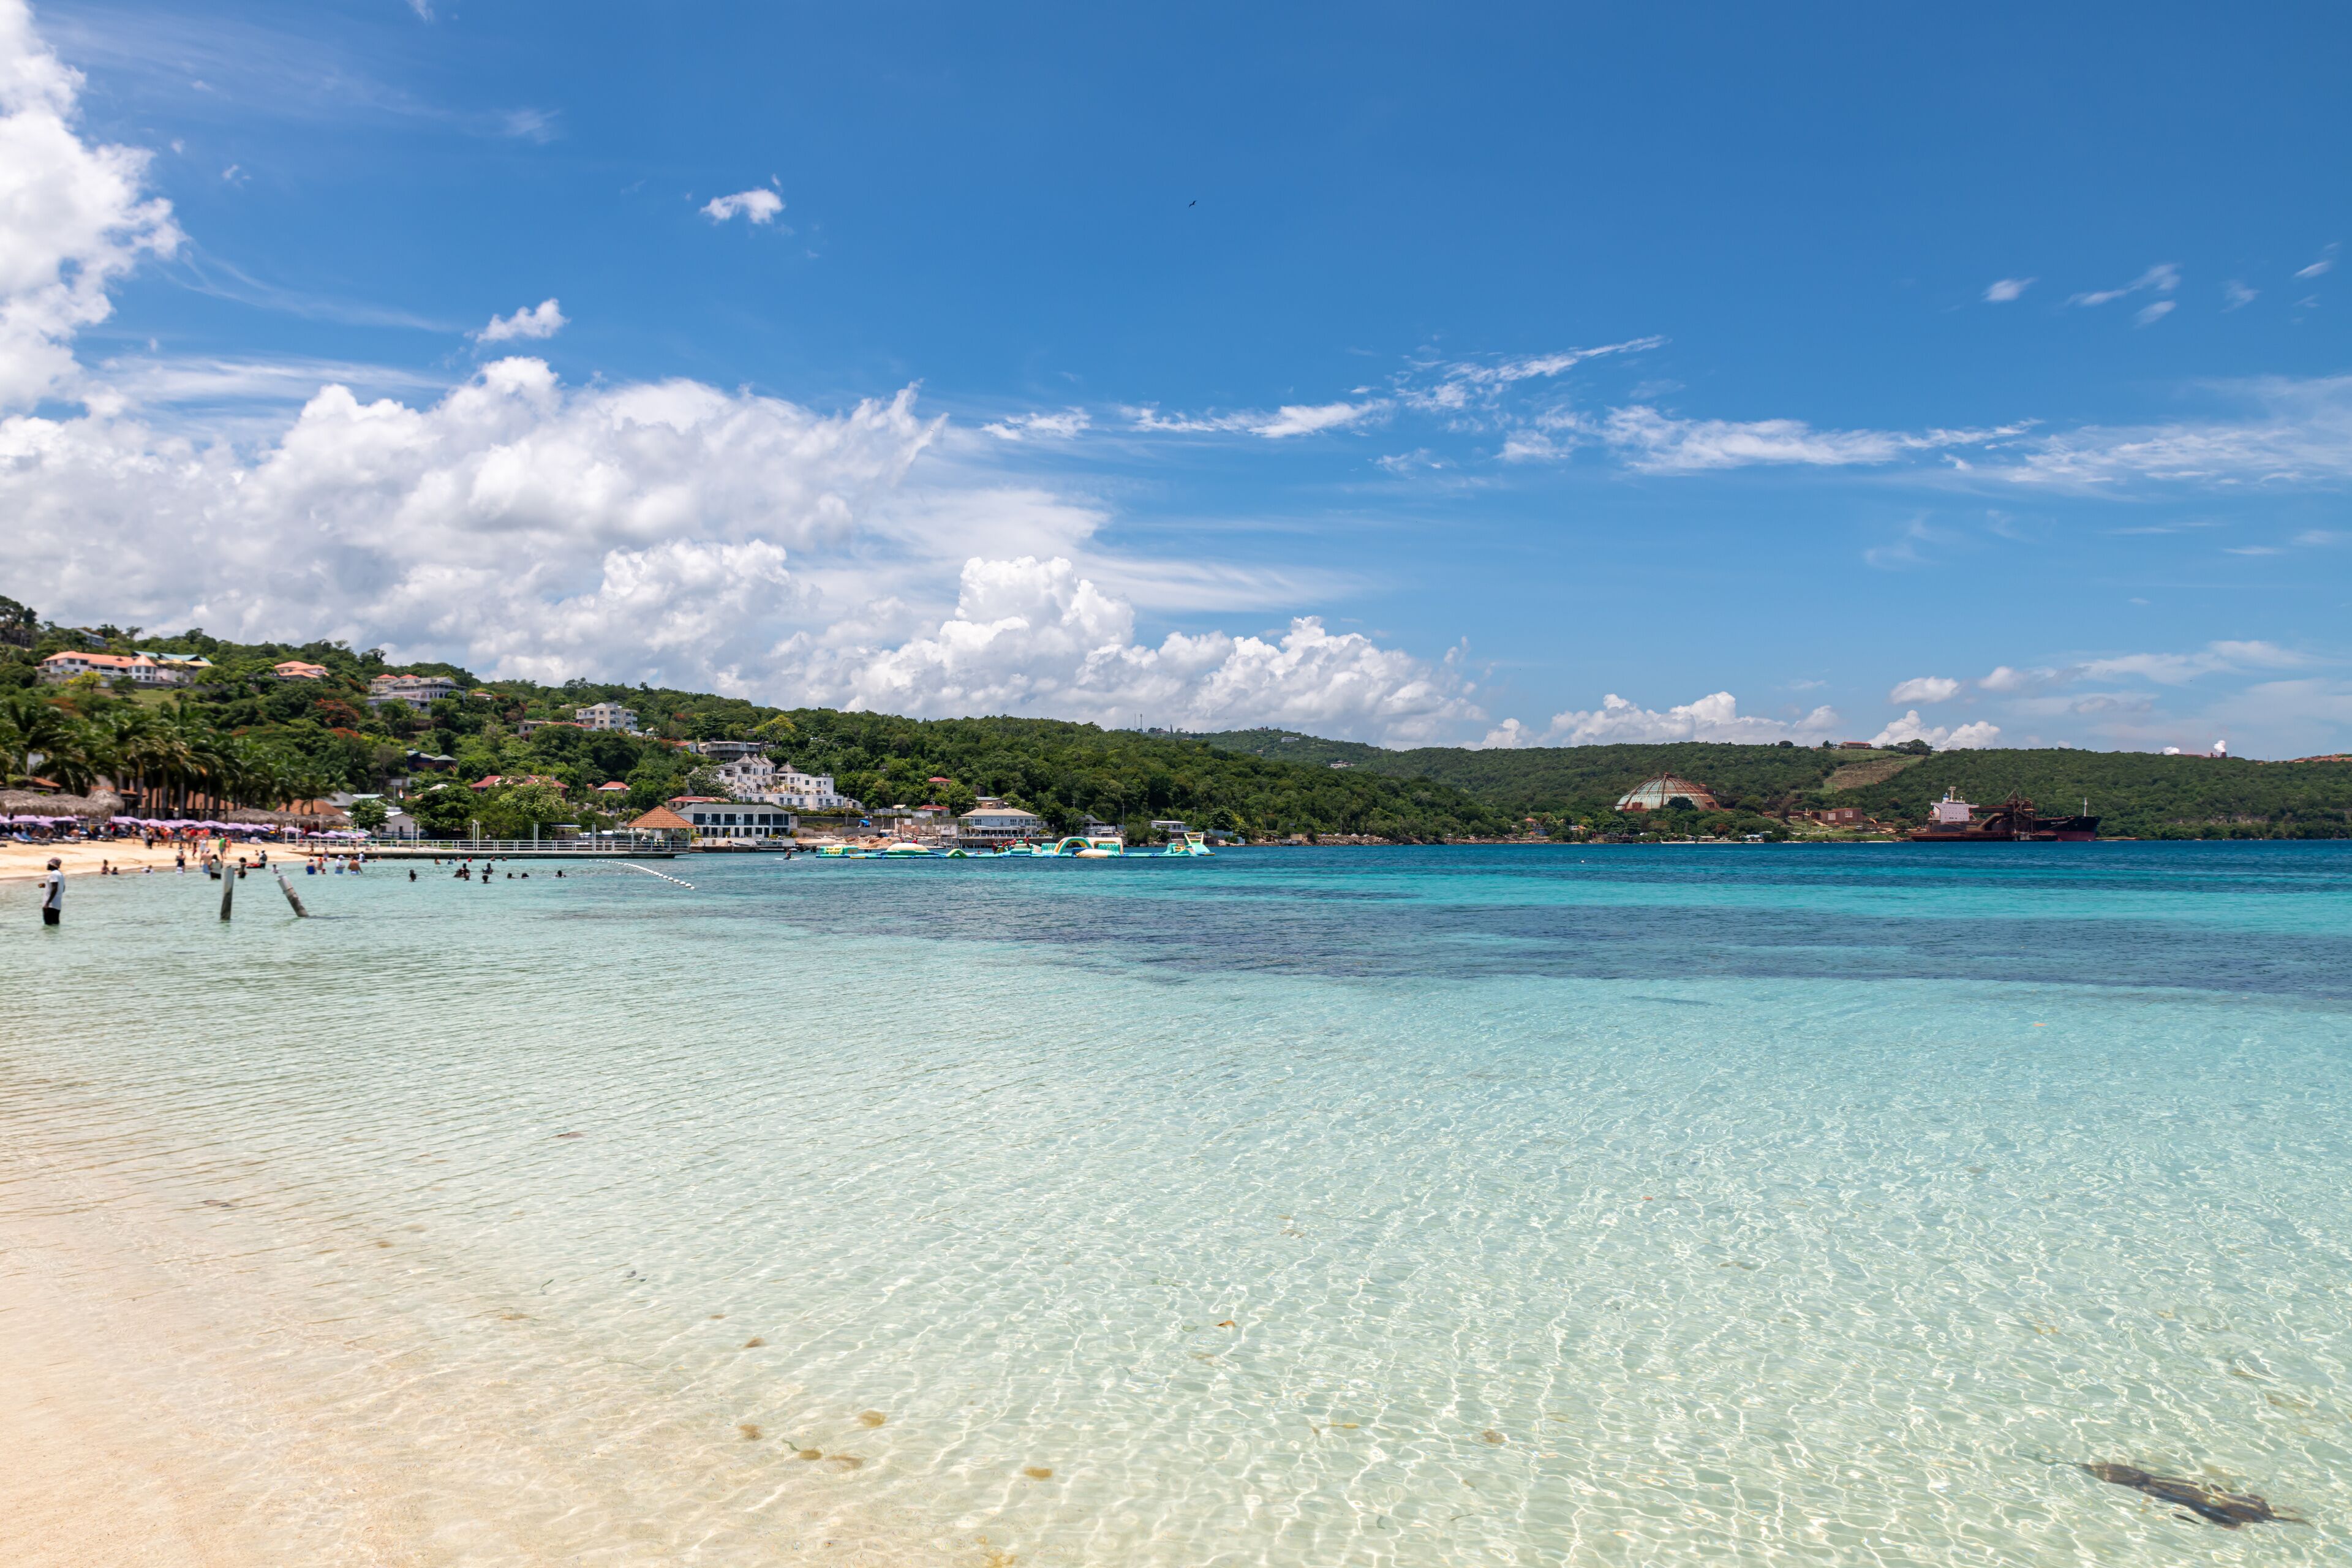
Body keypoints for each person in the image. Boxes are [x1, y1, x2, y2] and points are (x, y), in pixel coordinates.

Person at [39, 858, 62, 926]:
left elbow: (55, 889)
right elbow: (62, 888)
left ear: (52, 865)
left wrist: (48, 903)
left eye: (48, 864)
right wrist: (46, 886)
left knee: (48, 926)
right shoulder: (60, 875)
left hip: (50, 905)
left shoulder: (53, 874)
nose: (47, 865)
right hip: (57, 905)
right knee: (55, 925)